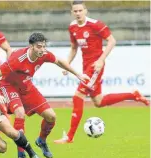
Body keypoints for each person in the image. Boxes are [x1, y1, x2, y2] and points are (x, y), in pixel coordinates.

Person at [54, 1, 150, 144]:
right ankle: (133, 95)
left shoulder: (95, 24)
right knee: (98, 101)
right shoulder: (73, 27)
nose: (78, 13)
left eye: (81, 10)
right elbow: (74, 48)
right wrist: (67, 64)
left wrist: (100, 60)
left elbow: (111, 41)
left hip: (95, 66)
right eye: (75, 11)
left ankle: (69, 137)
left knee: (78, 96)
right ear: (72, 13)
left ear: (86, 10)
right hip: (85, 66)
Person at [0, 32, 90, 158]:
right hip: (9, 86)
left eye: (44, 46)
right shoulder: (17, 58)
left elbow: (59, 61)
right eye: (39, 46)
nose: (42, 50)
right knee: (20, 113)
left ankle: (41, 140)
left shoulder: (44, 54)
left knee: (51, 116)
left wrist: (78, 74)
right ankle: (21, 152)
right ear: (31, 46)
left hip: (26, 86)